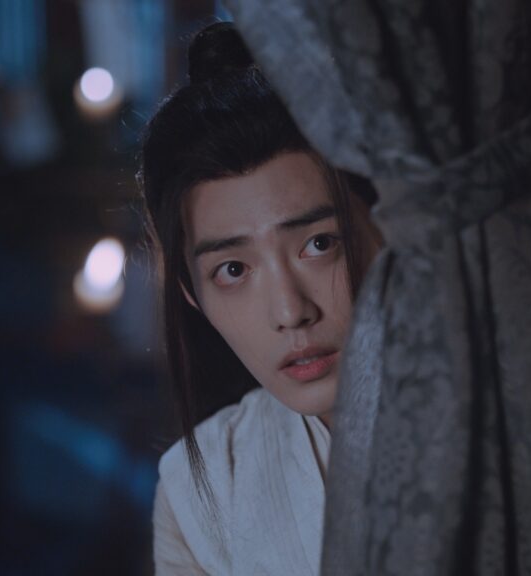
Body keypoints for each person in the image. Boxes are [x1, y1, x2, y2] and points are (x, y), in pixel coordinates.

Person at [140, 22, 382, 575]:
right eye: (233, 269)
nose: (291, 312)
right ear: (191, 292)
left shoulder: (517, 401)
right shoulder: (201, 492)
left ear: (382, 226)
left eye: (319, 244)